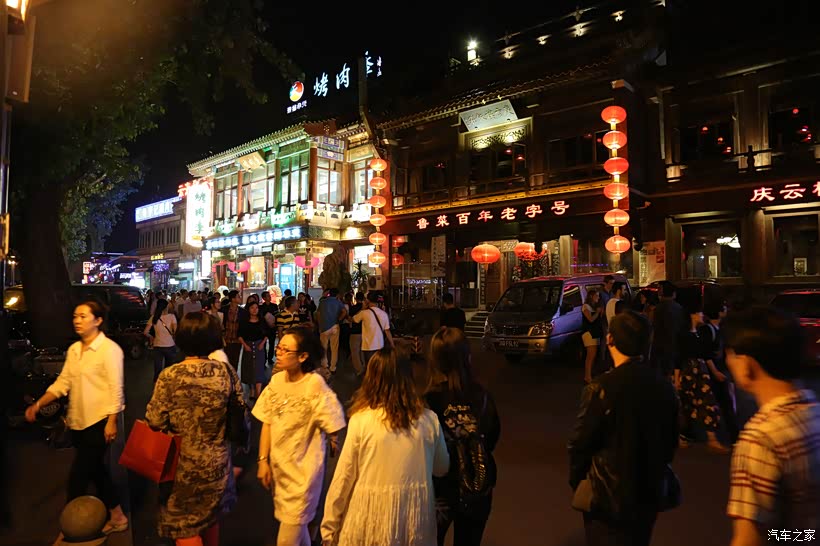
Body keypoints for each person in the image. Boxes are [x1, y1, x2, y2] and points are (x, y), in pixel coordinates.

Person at [568, 310, 679, 546]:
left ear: (610, 339)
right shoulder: (664, 387)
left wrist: (579, 481)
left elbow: (580, 444)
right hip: (649, 491)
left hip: (606, 493)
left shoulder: (600, 387)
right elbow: (670, 442)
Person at [321, 346, 450, 546]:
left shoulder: (361, 420)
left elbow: (344, 477)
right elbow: (442, 468)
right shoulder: (429, 420)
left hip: (370, 518)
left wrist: (329, 528)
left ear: (372, 379)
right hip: (413, 522)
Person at [25, 300, 128, 536]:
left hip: (99, 422)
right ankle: (118, 516)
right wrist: (39, 404)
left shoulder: (110, 350)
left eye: (83, 316)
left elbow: (116, 389)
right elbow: (64, 383)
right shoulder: (74, 350)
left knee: (78, 476)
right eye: (75, 316)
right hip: (78, 421)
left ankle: (70, 529)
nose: (77, 321)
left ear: (98, 320)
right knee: (97, 471)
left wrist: (112, 421)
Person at [145, 312, 248, 546]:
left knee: (185, 526)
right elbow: (241, 414)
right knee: (210, 518)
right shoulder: (226, 372)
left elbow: (155, 421)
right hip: (218, 462)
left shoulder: (169, 376)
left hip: (182, 466)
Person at [722, 306, 820, 545]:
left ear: (746, 364)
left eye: (731, 354)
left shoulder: (760, 438)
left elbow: (750, 539)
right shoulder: (814, 411)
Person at [254, 326, 346, 546]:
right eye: (279, 348)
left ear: (303, 356)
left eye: (286, 350)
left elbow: (334, 419)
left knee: (288, 535)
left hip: (304, 474)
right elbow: (267, 421)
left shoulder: (314, 384)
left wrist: (333, 439)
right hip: (280, 470)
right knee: (298, 531)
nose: (278, 353)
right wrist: (263, 460)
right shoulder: (277, 381)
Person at [427, 327, 500, 546]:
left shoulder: (429, 400)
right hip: (476, 483)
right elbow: (492, 437)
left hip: (439, 489)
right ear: (467, 357)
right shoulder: (482, 396)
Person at [676, 306, 728, 453]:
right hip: (688, 372)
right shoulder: (684, 335)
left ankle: (711, 438)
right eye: (699, 313)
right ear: (692, 315)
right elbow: (678, 358)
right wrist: (677, 377)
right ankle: (684, 436)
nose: (702, 315)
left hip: (700, 371)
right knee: (687, 404)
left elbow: (705, 355)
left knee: (707, 401)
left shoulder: (699, 333)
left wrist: (714, 371)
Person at [699, 303, 739, 444]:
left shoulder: (720, 328)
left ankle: (732, 436)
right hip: (712, 372)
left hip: (720, 371)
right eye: (723, 307)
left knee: (725, 403)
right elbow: (706, 353)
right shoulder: (707, 329)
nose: (726, 309)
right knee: (717, 403)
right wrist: (715, 371)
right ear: (718, 312)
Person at [652, 281, 687, 377]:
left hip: (662, 347)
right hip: (675, 345)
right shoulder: (679, 308)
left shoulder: (659, 308)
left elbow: (655, 328)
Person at [352, 291, 394, 370]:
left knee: (370, 368)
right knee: (379, 368)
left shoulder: (364, 313)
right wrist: (392, 345)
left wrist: (363, 308)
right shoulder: (384, 314)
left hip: (368, 347)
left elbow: (354, 319)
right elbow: (387, 331)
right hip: (380, 346)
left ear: (368, 300)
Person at [238, 300, 269, 399]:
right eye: (252, 308)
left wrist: (262, 343)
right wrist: (245, 345)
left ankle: (258, 392)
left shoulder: (262, 321)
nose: (254, 310)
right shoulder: (244, 322)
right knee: (249, 368)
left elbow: (267, 334)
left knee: (259, 368)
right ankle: (251, 389)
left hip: (259, 345)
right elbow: (239, 335)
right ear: (248, 309)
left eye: (256, 308)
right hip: (248, 346)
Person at [144, 299, 179, 382]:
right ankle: (166, 384)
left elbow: (145, 332)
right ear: (166, 307)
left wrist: (151, 337)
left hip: (157, 345)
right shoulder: (172, 317)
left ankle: (157, 383)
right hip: (169, 345)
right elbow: (175, 331)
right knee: (169, 368)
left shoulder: (154, 317)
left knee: (157, 368)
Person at [315, 288, 347, 374]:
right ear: (337, 294)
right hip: (335, 326)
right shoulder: (338, 302)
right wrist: (339, 319)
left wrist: (319, 325)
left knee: (324, 347)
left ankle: (325, 364)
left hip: (324, 327)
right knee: (334, 348)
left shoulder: (323, 302)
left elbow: (318, 314)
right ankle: (333, 367)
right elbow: (344, 311)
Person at [581, 289, 603, 384]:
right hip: (589, 333)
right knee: (590, 355)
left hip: (595, 332)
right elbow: (590, 319)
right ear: (591, 296)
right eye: (596, 296)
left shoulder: (594, 307)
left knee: (593, 355)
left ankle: (589, 374)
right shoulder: (586, 306)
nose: (598, 297)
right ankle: (587, 376)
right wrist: (597, 313)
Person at [223, 290, 248, 371]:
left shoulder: (242, 311)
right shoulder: (224, 309)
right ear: (233, 299)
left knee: (235, 361)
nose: (240, 298)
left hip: (237, 340)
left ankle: (234, 376)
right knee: (225, 361)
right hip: (225, 339)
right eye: (238, 296)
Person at [348, 292, 365, 376]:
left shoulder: (353, 308)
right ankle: (364, 366)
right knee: (362, 351)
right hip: (364, 332)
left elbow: (350, 318)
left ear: (355, 298)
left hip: (355, 332)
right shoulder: (366, 309)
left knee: (355, 352)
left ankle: (359, 369)